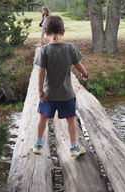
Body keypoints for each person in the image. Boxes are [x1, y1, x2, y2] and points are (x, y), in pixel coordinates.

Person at [33, 16, 89, 157]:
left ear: (46, 33)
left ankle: (38, 145)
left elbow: (40, 72)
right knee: (71, 119)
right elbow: (78, 65)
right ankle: (74, 148)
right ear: (63, 32)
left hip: (48, 94)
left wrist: (40, 91)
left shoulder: (44, 50)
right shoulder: (69, 48)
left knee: (43, 118)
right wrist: (85, 74)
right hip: (67, 94)